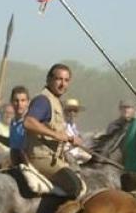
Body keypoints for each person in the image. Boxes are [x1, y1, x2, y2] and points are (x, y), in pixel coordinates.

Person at [21, 63, 84, 197]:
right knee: (75, 186)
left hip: (53, 157)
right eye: (59, 79)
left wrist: (70, 138)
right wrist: (56, 135)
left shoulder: (55, 101)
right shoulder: (43, 100)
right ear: (49, 80)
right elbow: (28, 122)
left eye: (66, 80)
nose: (63, 84)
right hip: (41, 158)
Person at [64, 98, 92, 165]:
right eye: (69, 110)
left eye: (75, 111)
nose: (72, 113)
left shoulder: (73, 126)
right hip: (67, 154)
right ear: (65, 112)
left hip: (76, 152)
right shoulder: (62, 124)